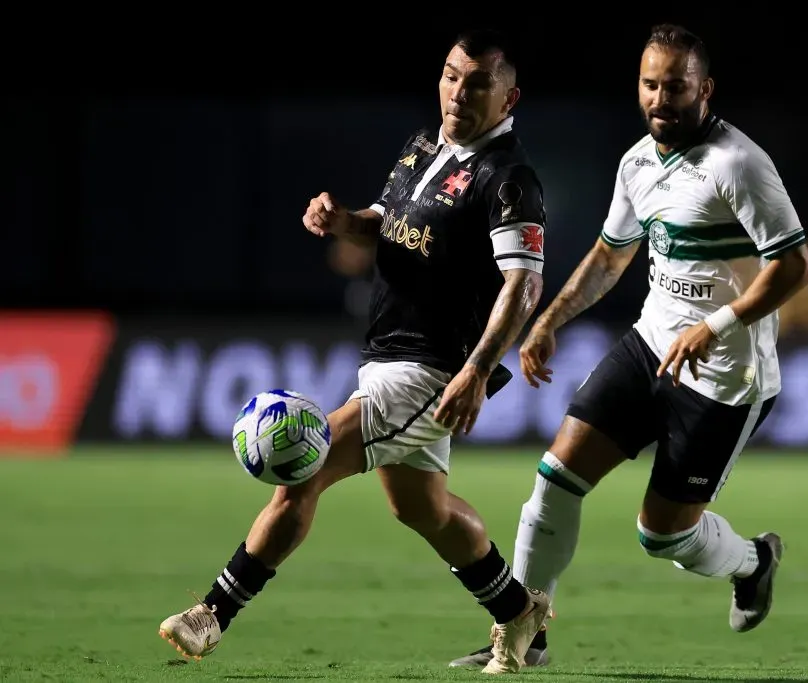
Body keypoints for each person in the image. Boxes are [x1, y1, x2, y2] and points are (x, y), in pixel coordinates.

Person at [158, 28, 551, 675]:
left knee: (304, 466)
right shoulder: (426, 146)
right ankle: (516, 608)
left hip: (431, 369)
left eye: (478, 82)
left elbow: (524, 281)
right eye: (452, 75)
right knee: (423, 508)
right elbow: (386, 221)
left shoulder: (509, 179)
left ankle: (211, 614)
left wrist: (478, 369)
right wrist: (343, 220)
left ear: (509, 98)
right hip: (389, 353)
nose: (459, 90)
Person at [450, 23, 808, 669]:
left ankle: (754, 559)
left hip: (724, 373)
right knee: (555, 479)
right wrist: (550, 318)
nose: (660, 98)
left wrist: (717, 324)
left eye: (675, 86)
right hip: (649, 344)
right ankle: (524, 633)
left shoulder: (739, 164)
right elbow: (609, 255)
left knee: (662, 533)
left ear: (705, 88)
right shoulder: (637, 161)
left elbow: (793, 269)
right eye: (650, 84)